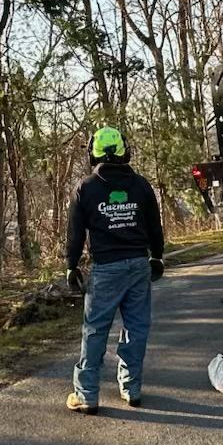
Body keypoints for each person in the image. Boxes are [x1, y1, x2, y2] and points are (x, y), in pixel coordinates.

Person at [65, 126, 165, 414]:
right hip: (137, 266)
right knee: (136, 328)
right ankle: (131, 389)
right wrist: (157, 257)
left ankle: (86, 395)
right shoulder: (142, 186)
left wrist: (71, 266)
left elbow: (75, 235)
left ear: (92, 152)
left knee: (95, 330)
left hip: (106, 269)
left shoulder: (86, 188)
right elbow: (154, 229)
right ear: (125, 150)